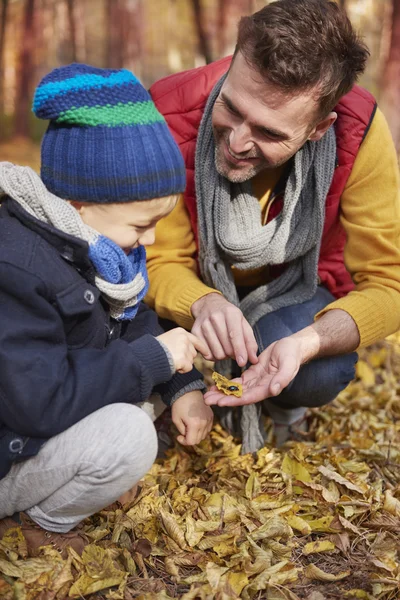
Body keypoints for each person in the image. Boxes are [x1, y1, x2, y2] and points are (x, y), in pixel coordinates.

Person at [146, 0, 400, 452]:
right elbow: (156, 257)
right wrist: (202, 304)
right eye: (232, 108)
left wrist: (306, 344)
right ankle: (169, 392)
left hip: (292, 291)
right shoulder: (168, 114)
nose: (239, 141)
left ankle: (283, 404)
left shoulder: (360, 134)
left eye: (269, 133)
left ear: (320, 128)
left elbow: (390, 282)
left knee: (321, 369)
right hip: (191, 286)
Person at [0, 64, 213, 556]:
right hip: (13, 443)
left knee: (149, 389)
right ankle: (38, 521)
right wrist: (155, 361)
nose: (152, 239)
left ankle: (76, 480)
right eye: (142, 225)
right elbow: (38, 403)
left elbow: (129, 319)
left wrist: (181, 384)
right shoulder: (18, 266)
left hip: (43, 418)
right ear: (79, 202)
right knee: (132, 434)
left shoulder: (93, 245)